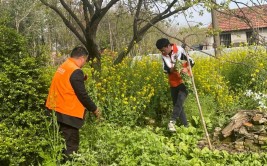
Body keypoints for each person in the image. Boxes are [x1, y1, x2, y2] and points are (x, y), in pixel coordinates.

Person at [45, 46, 100, 161]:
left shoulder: (64, 66)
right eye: (85, 60)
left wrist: (82, 77)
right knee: (71, 146)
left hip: (55, 109)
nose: (85, 63)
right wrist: (94, 109)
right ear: (81, 58)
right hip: (68, 113)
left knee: (62, 144)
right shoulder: (75, 71)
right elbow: (82, 95)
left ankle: (61, 161)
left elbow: (68, 82)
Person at [156, 38, 194, 132]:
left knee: (179, 102)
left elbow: (192, 62)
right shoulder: (163, 56)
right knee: (177, 105)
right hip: (173, 82)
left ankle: (172, 122)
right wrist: (171, 70)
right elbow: (165, 69)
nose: (163, 52)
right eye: (161, 51)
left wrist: (187, 69)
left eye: (163, 50)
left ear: (168, 46)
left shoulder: (179, 50)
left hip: (184, 81)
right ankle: (186, 127)